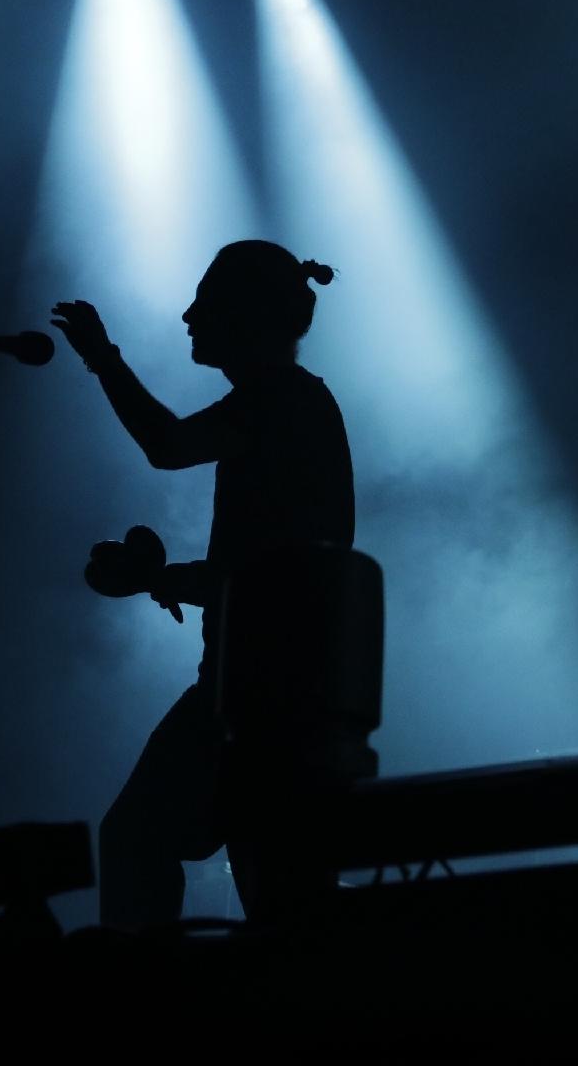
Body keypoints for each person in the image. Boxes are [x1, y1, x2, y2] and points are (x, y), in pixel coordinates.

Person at [51, 239, 354, 931]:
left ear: (244, 316)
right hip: (280, 693)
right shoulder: (291, 405)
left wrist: (104, 358)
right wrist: (166, 578)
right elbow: (270, 570)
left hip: (259, 697)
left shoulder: (277, 402)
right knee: (278, 893)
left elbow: (166, 445)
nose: (188, 318)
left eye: (205, 305)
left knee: (139, 838)